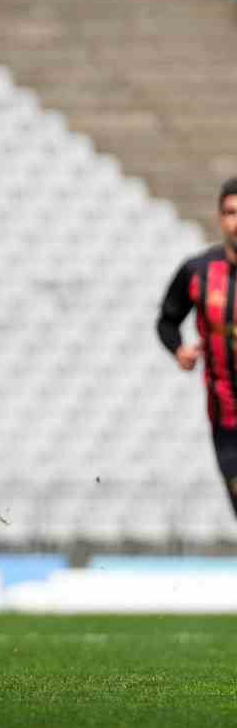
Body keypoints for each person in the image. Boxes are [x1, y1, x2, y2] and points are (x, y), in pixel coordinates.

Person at [159, 177, 237, 518]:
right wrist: (179, 351)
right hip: (226, 419)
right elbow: (167, 321)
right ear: (220, 218)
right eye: (230, 212)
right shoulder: (198, 271)